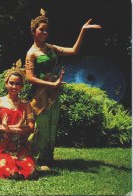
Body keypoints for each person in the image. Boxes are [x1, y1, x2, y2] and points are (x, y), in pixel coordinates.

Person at [25, 8, 101, 169]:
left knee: (53, 124)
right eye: (41, 30)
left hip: (54, 92)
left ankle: (46, 158)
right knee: (41, 127)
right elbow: (30, 77)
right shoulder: (31, 53)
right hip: (40, 95)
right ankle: (31, 157)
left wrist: (82, 30)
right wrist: (51, 84)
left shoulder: (50, 48)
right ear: (33, 31)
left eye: (47, 30)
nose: (45, 33)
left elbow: (73, 51)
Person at [0, 60, 37, 179]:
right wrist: (14, 128)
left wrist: (11, 129)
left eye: (18, 84)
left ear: (22, 86)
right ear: (6, 84)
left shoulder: (26, 104)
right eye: (11, 83)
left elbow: (31, 128)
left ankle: (20, 163)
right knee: (10, 172)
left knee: (31, 171)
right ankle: (4, 162)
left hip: (20, 146)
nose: (14, 86)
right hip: (2, 147)